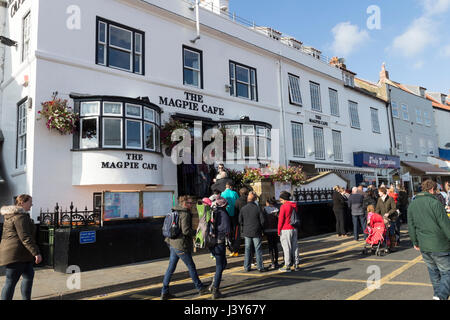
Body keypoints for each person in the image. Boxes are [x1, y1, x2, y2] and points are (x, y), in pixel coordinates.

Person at [408, 179, 450, 300]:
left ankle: (437, 296)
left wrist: (415, 242)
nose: (437, 193)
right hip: (439, 244)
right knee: (447, 272)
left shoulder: (412, 204)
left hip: (424, 245)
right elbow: (445, 225)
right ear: (432, 190)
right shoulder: (435, 203)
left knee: (434, 273)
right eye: (436, 190)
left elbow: (411, 225)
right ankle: (440, 296)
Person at [161, 195, 209, 300]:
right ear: (184, 203)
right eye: (190, 203)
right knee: (191, 266)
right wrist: (196, 232)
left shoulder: (175, 210)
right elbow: (186, 231)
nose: (192, 205)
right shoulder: (185, 214)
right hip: (180, 245)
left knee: (171, 268)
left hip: (172, 243)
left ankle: (164, 292)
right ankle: (200, 288)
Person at [0, 194, 42, 300]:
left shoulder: (14, 215)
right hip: (15, 254)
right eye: (30, 202)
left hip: (22, 254)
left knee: (28, 276)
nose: (32, 204)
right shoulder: (19, 216)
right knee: (11, 281)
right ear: (22, 203)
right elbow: (25, 237)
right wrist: (36, 253)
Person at [208, 196, 231, 299]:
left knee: (223, 263)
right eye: (226, 204)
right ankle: (215, 289)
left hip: (211, 242)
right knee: (220, 265)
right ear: (223, 204)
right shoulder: (222, 213)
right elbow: (226, 229)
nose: (227, 205)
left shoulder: (213, 211)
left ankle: (214, 284)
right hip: (219, 242)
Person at [238, 191, 267, 272]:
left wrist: (244, 227)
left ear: (248, 199)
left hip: (247, 231)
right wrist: (262, 229)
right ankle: (260, 267)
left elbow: (240, 220)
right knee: (258, 249)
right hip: (256, 231)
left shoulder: (243, 209)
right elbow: (262, 221)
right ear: (255, 199)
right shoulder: (258, 208)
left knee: (247, 249)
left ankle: (246, 267)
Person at [278, 191, 300, 272]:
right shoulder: (294, 205)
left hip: (286, 229)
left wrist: (278, 230)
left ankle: (287, 265)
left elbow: (281, 219)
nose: (280, 202)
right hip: (294, 228)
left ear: (284, 199)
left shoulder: (283, 207)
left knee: (287, 248)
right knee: (295, 247)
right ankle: (296, 264)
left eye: (281, 200)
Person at [375, 186, 397, 251]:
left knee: (391, 232)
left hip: (391, 218)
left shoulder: (390, 198)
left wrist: (388, 213)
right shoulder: (379, 199)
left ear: (383, 192)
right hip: (383, 219)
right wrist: (375, 215)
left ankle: (392, 246)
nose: (378, 193)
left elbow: (394, 208)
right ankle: (385, 245)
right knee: (383, 232)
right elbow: (378, 209)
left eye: (379, 192)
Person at [221, 182, 239, 256]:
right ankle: (235, 249)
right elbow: (238, 202)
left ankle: (230, 247)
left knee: (228, 232)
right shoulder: (234, 193)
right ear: (231, 187)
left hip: (226, 215)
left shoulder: (222, 194)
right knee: (235, 231)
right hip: (234, 214)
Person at [231, 187, 249, 257]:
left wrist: (235, 222)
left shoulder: (238, 201)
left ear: (240, 193)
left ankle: (236, 251)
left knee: (237, 237)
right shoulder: (249, 200)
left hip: (239, 221)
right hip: (248, 221)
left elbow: (235, 212)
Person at [263, 198, 280, 270]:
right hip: (275, 230)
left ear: (267, 203)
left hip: (268, 230)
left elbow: (263, 220)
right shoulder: (277, 209)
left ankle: (272, 262)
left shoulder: (264, 209)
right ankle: (276, 262)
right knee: (275, 246)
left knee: (270, 247)